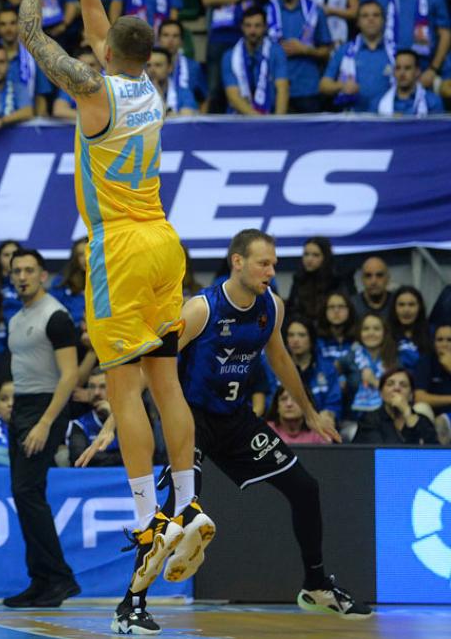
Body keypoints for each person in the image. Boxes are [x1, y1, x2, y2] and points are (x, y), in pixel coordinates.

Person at [18, 0, 208, 625]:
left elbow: (32, 40)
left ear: (109, 53)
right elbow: (101, 32)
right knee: (166, 378)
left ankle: (147, 517)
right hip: (166, 240)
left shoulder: (94, 91)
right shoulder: (149, 90)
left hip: (120, 247)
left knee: (123, 383)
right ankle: (187, 501)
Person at [82, 229, 367, 633]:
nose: (271, 270)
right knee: (177, 511)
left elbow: (281, 358)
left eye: (273, 263)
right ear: (238, 262)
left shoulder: (272, 306)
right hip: (191, 420)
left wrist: (310, 412)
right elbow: (152, 367)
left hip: (235, 420)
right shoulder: (201, 309)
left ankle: (317, 586)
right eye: (263, 263)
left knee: (306, 487)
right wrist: (116, 421)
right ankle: (131, 605)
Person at [2, 248, 82, 609]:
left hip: (46, 407)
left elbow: (69, 375)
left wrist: (45, 422)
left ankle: (60, 578)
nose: (22, 276)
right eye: (16, 270)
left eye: (29, 270)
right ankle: (42, 579)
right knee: (24, 495)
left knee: (28, 491)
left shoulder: (56, 316)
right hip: (22, 405)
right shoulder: (17, 317)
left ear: (43, 276)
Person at [267, 0, 332, 113]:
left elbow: (326, 52)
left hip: (307, 88)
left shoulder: (315, 11)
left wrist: (306, 50)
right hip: (274, 89)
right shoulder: (267, 11)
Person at [319, 0, 392, 112]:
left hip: (389, 119)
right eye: (365, 16)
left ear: (383, 20)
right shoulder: (344, 51)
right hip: (354, 120)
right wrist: (341, 86)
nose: (371, 19)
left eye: (376, 15)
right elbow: (324, 85)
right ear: (358, 22)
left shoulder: (396, 51)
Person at [223, 6, 290, 115]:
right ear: (242, 27)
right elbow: (233, 96)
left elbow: (282, 89)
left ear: (265, 27)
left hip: (270, 117)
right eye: (248, 26)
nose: (252, 31)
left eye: (257, 26)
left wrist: (278, 122)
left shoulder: (276, 52)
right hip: (239, 119)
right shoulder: (230, 56)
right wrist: (258, 120)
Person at [354, 369, 439, 444]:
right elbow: (382, 454)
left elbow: (435, 454)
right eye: (390, 384)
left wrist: (407, 413)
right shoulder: (369, 420)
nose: (396, 388)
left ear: (411, 395)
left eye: (403, 385)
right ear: (381, 393)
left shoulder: (423, 421)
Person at [66, 370, 121, 467]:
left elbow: (141, 453)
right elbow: (79, 457)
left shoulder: (130, 420)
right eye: (92, 387)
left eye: (103, 387)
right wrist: (120, 458)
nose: (96, 393)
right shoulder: (79, 424)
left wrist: (111, 416)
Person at [374, 49, 445, 115]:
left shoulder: (433, 103)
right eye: (398, 68)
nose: (402, 73)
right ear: (394, 72)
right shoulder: (378, 102)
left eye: (407, 68)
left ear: (417, 71)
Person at [157, 19, 208, 111]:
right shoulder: (147, 66)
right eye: (166, 35)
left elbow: (204, 98)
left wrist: (200, 121)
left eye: (175, 36)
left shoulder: (193, 66)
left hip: (185, 119)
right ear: (158, 39)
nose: (170, 40)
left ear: (181, 41)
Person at [146, 47, 199, 116]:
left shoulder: (182, 92)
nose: (152, 70)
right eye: (148, 65)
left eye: (158, 65)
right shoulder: (135, 92)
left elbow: (188, 118)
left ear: (170, 68)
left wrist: (160, 101)